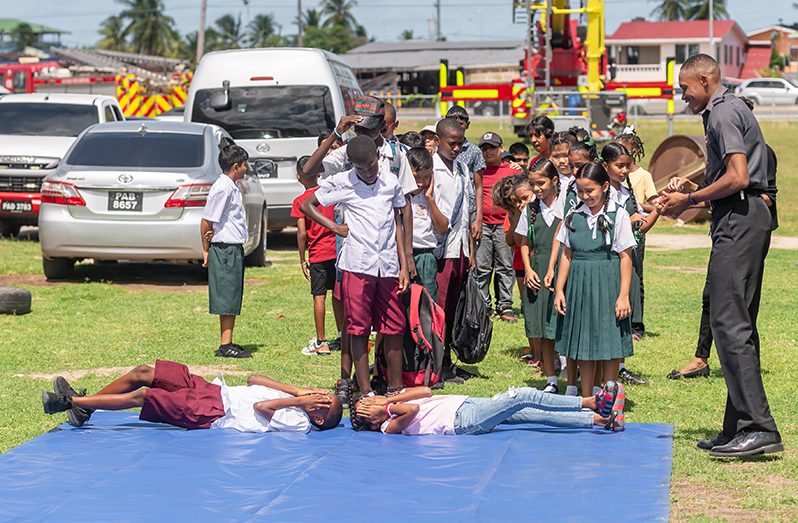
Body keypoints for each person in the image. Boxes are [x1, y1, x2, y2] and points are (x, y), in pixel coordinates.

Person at [657, 54, 782, 457]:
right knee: (734, 321)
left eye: (685, 88)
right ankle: (738, 427)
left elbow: (739, 177)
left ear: (706, 80)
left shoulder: (723, 112)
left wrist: (690, 197)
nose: (682, 96)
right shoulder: (725, 111)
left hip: (742, 219)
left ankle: (758, 427)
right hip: (740, 216)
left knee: (728, 321)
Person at [667, 97, 780, 382]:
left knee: (741, 305)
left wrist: (695, 198)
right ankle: (701, 358)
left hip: (745, 229)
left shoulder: (762, 154)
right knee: (712, 298)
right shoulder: (723, 152)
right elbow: (714, 190)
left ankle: (748, 362)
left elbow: (765, 195)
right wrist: (689, 189)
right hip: (725, 226)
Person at [301, 136, 410, 398]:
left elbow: (397, 222)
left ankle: (395, 388)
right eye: (363, 169)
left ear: (377, 157)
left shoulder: (390, 182)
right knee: (358, 327)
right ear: (353, 165)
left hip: (388, 266)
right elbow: (307, 205)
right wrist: (335, 227)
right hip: (357, 265)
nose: (369, 172)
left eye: (372, 166)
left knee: (394, 325)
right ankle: (364, 390)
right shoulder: (342, 182)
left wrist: (404, 264)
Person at [41, 362, 342, 432]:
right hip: (213, 390)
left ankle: (71, 403)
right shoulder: (297, 398)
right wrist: (296, 390)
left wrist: (298, 403)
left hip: (214, 412)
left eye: (323, 400)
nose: (319, 394)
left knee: (145, 396)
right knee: (146, 372)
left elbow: (260, 407)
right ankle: (87, 408)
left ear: (318, 416)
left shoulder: (300, 423)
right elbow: (253, 379)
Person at [304, 95, 416, 279]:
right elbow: (309, 170)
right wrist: (336, 133)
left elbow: (406, 207)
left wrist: (407, 254)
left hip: (388, 246)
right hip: (354, 247)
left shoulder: (395, 156)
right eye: (358, 128)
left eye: (367, 129)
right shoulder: (347, 153)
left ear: (382, 126)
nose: (361, 133)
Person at [554, 163, 636, 397]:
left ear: (605, 186)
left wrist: (623, 296)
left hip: (607, 283)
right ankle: (587, 397)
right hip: (579, 285)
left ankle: (609, 398)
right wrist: (560, 290)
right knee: (583, 343)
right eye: (580, 191)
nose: (585, 196)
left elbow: (626, 257)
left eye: (590, 190)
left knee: (608, 342)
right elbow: (566, 255)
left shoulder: (617, 214)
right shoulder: (573, 216)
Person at [350, 381, 626, 435]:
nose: (372, 399)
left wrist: (387, 398)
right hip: (464, 421)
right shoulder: (387, 426)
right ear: (370, 421)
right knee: (522, 396)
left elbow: (426, 391)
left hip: (465, 403)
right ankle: (591, 402)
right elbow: (413, 411)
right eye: (367, 405)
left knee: (527, 415)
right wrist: (385, 407)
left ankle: (600, 421)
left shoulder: (392, 400)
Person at [542, 132, 595, 395]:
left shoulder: (599, 191)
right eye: (571, 166)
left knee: (592, 326)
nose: (573, 170)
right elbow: (561, 233)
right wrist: (551, 267)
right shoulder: (568, 191)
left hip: (594, 266)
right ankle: (571, 382)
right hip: (570, 264)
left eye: (579, 165)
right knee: (571, 326)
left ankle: (596, 382)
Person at [601, 142, 659, 385]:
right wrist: (625, 220)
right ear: (606, 166)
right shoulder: (601, 194)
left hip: (627, 260)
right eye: (619, 166)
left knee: (623, 315)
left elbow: (640, 227)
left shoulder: (627, 193)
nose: (624, 171)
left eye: (627, 166)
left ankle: (620, 366)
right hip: (606, 261)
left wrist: (651, 215)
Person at [432, 117, 476, 386]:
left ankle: (447, 360)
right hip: (441, 248)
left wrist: (470, 250)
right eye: (452, 144)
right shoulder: (432, 170)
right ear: (437, 142)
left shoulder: (461, 168)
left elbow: (467, 210)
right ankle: (436, 365)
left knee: (453, 308)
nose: (457, 149)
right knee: (439, 310)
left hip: (460, 247)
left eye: (460, 144)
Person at [514, 160, 563, 393]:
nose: (536, 189)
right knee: (542, 325)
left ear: (554, 181)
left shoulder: (566, 206)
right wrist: (528, 269)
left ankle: (570, 370)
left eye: (541, 183)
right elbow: (523, 243)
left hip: (563, 268)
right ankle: (550, 377)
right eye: (532, 184)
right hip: (538, 267)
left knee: (561, 321)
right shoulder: (531, 209)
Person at [201, 145, 251, 359]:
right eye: (244, 164)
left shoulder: (231, 186)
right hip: (225, 248)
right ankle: (225, 345)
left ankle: (228, 339)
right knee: (227, 295)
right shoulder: (222, 188)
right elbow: (206, 221)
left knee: (232, 294)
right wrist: (206, 251)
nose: (246, 168)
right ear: (236, 166)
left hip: (233, 247)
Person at [291, 156, 343, 357]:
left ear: (298, 177)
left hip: (318, 255)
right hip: (337, 252)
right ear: (319, 172)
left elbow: (302, 233)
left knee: (319, 296)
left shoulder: (300, 201)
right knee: (339, 296)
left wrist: (302, 258)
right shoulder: (329, 194)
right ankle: (342, 335)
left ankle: (321, 341)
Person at [475, 132, 521, 322]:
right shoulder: (478, 170)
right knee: (482, 267)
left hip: (504, 224)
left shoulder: (512, 171)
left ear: (501, 148)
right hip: (483, 224)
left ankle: (505, 305)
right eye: (484, 148)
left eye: (492, 148)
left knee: (505, 266)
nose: (488, 152)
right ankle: (483, 305)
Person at [406, 147, 448, 301]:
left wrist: (429, 199)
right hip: (403, 254)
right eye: (416, 177)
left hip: (425, 255)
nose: (421, 183)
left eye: (426, 177)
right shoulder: (399, 194)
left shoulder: (433, 195)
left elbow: (442, 229)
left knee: (427, 303)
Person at [446, 106, 486, 243]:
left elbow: (479, 186)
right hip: (447, 207)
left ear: (467, 125)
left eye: (461, 124)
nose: (457, 127)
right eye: (453, 123)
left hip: (470, 210)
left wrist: (478, 218)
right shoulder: (440, 149)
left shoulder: (474, 151)